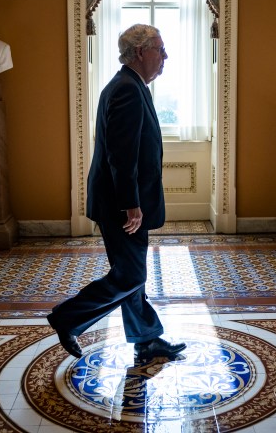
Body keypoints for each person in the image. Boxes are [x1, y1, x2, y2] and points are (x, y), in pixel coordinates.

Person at [47, 24, 186, 362]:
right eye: (160, 49)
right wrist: (132, 206)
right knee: (131, 275)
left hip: (121, 203)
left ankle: (146, 339)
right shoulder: (126, 89)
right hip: (121, 206)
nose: (165, 56)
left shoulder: (131, 85)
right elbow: (121, 157)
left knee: (132, 274)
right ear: (140, 52)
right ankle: (67, 318)